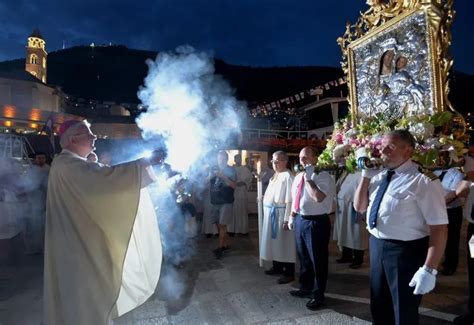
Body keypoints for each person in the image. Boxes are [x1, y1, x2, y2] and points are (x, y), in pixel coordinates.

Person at [44, 120, 163, 325]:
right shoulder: (67, 164)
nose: (94, 137)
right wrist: (142, 165)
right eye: (88, 133)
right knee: (86, 303)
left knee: (89, 302)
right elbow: (107, 181)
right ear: (73, 139)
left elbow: (96, 190)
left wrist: (91, 164)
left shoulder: (71, 163)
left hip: (79, 242)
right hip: (78, 249)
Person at [354, 129, 448, 325]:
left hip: (405, 252)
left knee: (403, 311)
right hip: (377, 246)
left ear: (408, 151)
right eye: (382, 146)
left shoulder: (423, 180)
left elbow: (439, 227)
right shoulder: (379, 175)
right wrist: (364, 177)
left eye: (391, 146)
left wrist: (429, 269)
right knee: (379, 305)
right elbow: (359, 207)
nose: (383, 150)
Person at [289, 146, 336, 310]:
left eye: (306, 157)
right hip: (301, 220)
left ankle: (318, 294)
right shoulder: (298, 176)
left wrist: (309, 178)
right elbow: (295, 199)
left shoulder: (323, 176)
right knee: (303, 258)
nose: (302, 160)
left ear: (316, 159)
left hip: (317, 223)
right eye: (301, 157)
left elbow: (318, 197)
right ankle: (305, 287)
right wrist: (292, 216)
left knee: (318, 260)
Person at [260, 151, 295, 284]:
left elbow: (290, 200)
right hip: (272, 214)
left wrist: (287, 219)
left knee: (285, 243)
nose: (274, 164)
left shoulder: (288, 176)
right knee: (275, 242)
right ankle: (277, 266)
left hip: (281, 215)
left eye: (277, 161)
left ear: (285, 161)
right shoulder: (276, 175)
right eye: (273, 161)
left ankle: (289, 272)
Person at [433, 167, 466, 275]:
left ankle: (450, 265)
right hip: (435, 210)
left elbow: (454, 193)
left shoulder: (457, 174)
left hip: (451, 211)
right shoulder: (435, 172)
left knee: (452, 239)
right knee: (435, 238)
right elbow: (428, 187)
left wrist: (439, 203)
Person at [333, 170, 368, 269]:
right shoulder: (348, 172)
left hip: (353, 207)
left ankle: (358, 259)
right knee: (344, 232)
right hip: (342, 206)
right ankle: (346, 255)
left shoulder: (363, 173)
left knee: (356, 234)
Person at [209, 150, 237, 259]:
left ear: (226, 159)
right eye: (218, 158)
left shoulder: (231, 170)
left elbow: (234, 185)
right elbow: (206, 181)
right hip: (215, 200)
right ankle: (225, 245)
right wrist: (209, 176)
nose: (219, 160)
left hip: (226, 201)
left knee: (222, 225)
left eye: (222, 158)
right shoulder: (213, 169)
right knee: (217, 224)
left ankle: (220, 249)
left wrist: (223, 177)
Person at [230, 154, 253, 235]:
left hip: (242, 191)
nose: (238, 160)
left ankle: (243, 230)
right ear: (234, 159)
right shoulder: (231, 169)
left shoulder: (245, 169)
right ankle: (232, 230)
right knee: (233, 210)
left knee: (242, 210)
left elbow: (250, 178)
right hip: (233, 192)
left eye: (239, 158)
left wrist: (243, 182)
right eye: (236, 158)